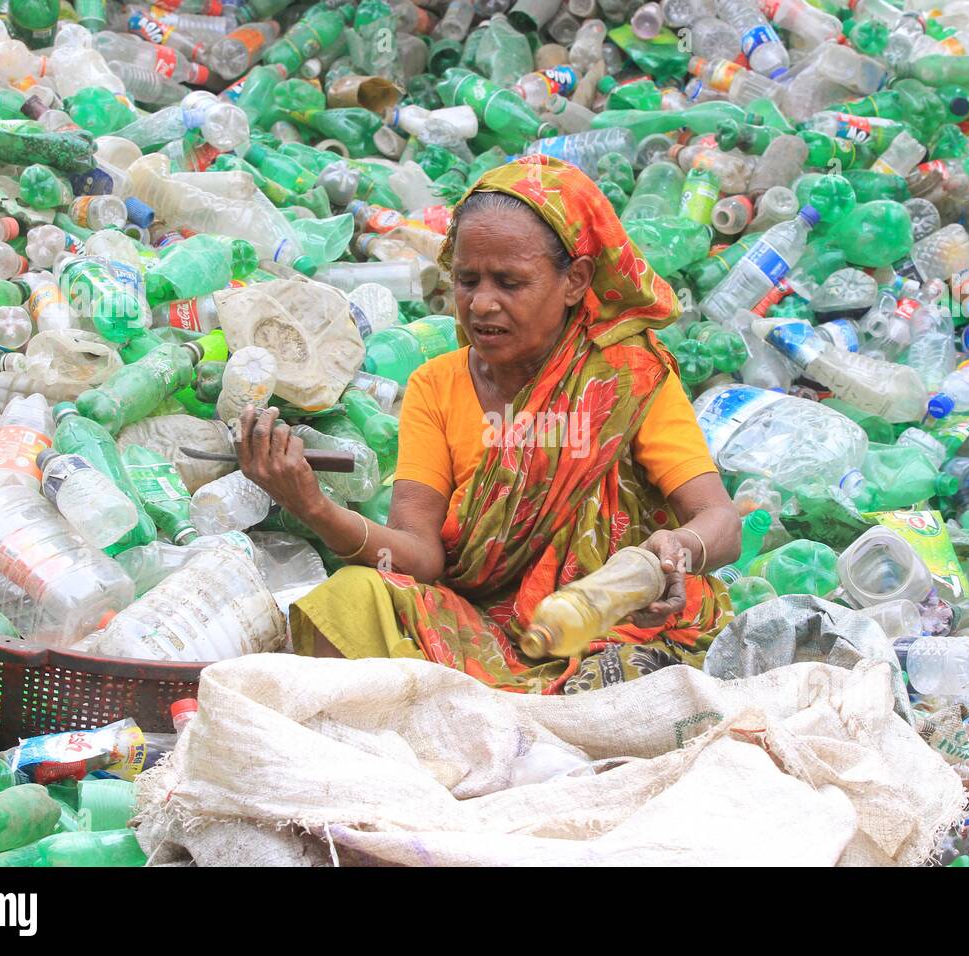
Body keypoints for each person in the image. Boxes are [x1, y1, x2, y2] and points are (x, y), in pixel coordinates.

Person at [237, 155, 740, 694]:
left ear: (576, 281)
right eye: (467, 280)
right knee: (351, 597)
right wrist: (312, 506)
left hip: (616, 625)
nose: (481, 304)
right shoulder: (436, 385)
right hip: (483, 626)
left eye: (509, 282)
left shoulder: (628, 378)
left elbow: (722, 523)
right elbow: (419, 559)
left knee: (627, 691)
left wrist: (672, 552)